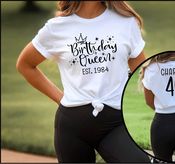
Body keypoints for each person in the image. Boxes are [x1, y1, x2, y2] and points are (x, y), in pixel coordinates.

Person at [16, 1, 150, 163]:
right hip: (72, 126)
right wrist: (61, 98)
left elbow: (143, 74)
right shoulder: (56, 27)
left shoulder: (126, 23)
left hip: (116, 123)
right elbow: (25, 65)